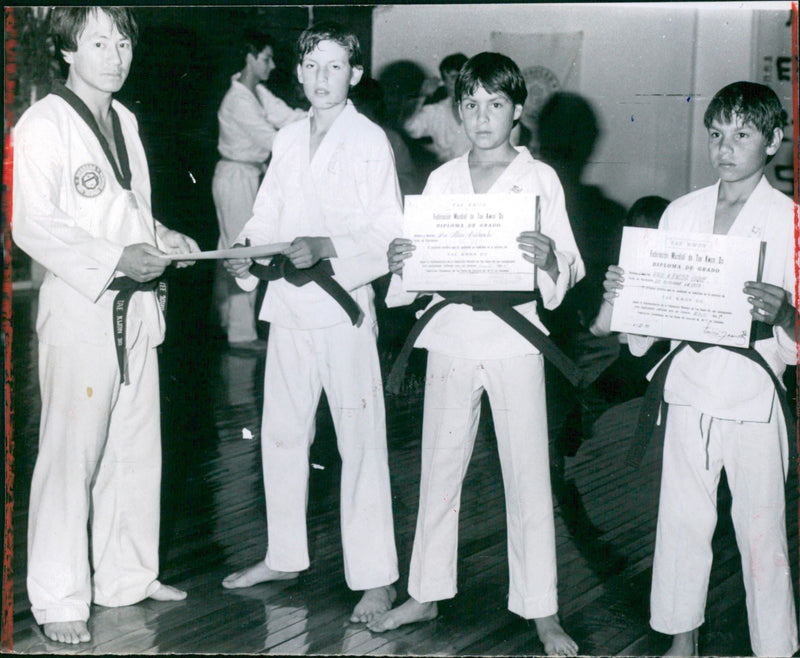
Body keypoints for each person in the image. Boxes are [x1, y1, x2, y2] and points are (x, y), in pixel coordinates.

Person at [367, 52, 584, 656]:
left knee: (527, 477)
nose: (482, 117)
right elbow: (418, 270)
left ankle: (542, 610)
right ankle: (425, 591)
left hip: (516, 338)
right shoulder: (442, 180)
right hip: (451, 336)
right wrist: (402, 264)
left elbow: (570, 260)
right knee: (438, 468)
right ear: (457, 110)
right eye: (471, 104)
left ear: (518, 110)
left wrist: (548, 260)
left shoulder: (540, 180)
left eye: (496, 104)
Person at [11, 6, 199, 645]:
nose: (116, 55)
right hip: (82, 307)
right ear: (66, 50)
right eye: (99, 42)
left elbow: (131, 212)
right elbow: (33, 225)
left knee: (135, 447)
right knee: (72, 456)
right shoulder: (42, 124)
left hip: (138, 308)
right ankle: (59, 596)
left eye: (123, 41)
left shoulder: (125, 119)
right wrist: (118, 257)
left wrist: (164, 238)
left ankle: (127, 575)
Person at [600, 81, 798, 657]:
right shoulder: (681, 213)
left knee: (761, 534)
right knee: (682, 523)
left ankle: (776, 649)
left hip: (754, 389)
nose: (726, 148)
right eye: (716, 135)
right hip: (686, 385)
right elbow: (650, 322)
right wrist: (627, 293)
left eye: (742, 134)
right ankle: (680, 641)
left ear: (773, 141)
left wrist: (786, 311)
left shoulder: (790, 221)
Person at [221, 21, 401, 624]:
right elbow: (266, 212)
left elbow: (387, 235)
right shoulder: (291, 139)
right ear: (297, 75)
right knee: (281, 435)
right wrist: (246, 251)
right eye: (312, 67)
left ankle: (376, 580)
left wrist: (325, 244)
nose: (322, 79)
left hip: (343, 311)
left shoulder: (371, 140)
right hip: (289, 309)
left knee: (359, 443)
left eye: (335, 67)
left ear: (354, 75)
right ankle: (284, 554)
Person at [211, 29, 306, 350]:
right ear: (249, 58)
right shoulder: (237, 100)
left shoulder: (257, 93)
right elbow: (274, 140)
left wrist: (319, 116)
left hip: (249, 176)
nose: (272, 64)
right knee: (242, 248)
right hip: (236, 176)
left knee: (235, 244)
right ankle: (241, 334)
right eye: (266, 58)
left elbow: (289, 117)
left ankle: (228, 321)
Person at [402, 52, 471, 164]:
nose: (448, 83)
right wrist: (422, 96)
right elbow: (410, 128)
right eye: (445, 78)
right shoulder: (437, 111)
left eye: (454, 77)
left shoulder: (483, 109)